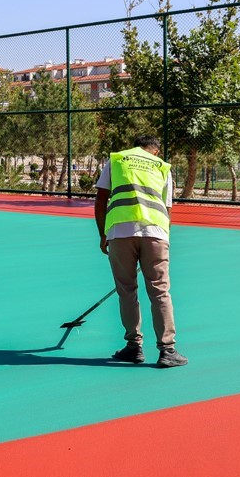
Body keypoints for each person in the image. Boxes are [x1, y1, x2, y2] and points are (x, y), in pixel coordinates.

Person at [94, 135, 186, 368]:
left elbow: (101, 198)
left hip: (120, 232)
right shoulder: (162, 167)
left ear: (135, 146)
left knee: (127, 291)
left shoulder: (117, 160)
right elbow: (167, 208)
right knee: (160, 291)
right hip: (155, 232)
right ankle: (167, 350)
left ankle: (133, 346)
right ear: (155, 151)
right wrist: (165, 238)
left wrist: (103, 234)